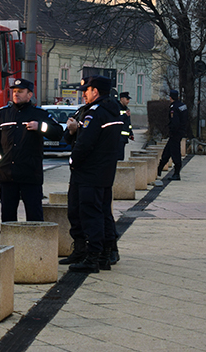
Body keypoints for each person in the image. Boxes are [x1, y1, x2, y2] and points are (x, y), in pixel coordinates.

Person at [61, 75, 123, 273]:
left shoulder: (94, 113)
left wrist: (73, 161)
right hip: (104, 171)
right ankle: (103, 255)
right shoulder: (112, 111)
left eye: (87, 91)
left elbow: (86, 143)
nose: (84, 95)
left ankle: (93, 257)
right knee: (101, 212)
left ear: (95, 91)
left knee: (90, 213)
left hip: (89, 172)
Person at [0, 78, 63, 222]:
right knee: (8, 218)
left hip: (30, 174)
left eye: (20, 92)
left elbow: (58, 132)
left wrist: (40, 127)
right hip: (7, 174)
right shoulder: (3, 114)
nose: (16, 94)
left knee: (34, 217)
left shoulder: (39, 114)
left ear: (29, 95)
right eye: (14, 91)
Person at [158, 89, 189, 181]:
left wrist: (171, 131)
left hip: (175, 133)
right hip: (180, 132)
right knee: (167, 150)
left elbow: (175, 122)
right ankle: (159, 169)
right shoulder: (182, 105)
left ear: (170, 97)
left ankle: (176, 173)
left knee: (175, 153)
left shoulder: (174, 107)